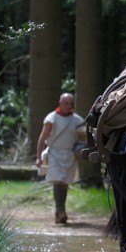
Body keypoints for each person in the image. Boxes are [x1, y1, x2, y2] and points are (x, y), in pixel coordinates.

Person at [35, 93, 85, 224]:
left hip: (69, 155)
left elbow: (84, 135)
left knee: (64, 183)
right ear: (60, 103)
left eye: (70, 103)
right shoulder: (51, 118)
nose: (69, 106)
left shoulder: (77, 119)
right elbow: (42, 138)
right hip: (55, 154)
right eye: (66, 103)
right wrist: (38, 157)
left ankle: (59, 213)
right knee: (58, 181)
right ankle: (61, 211)